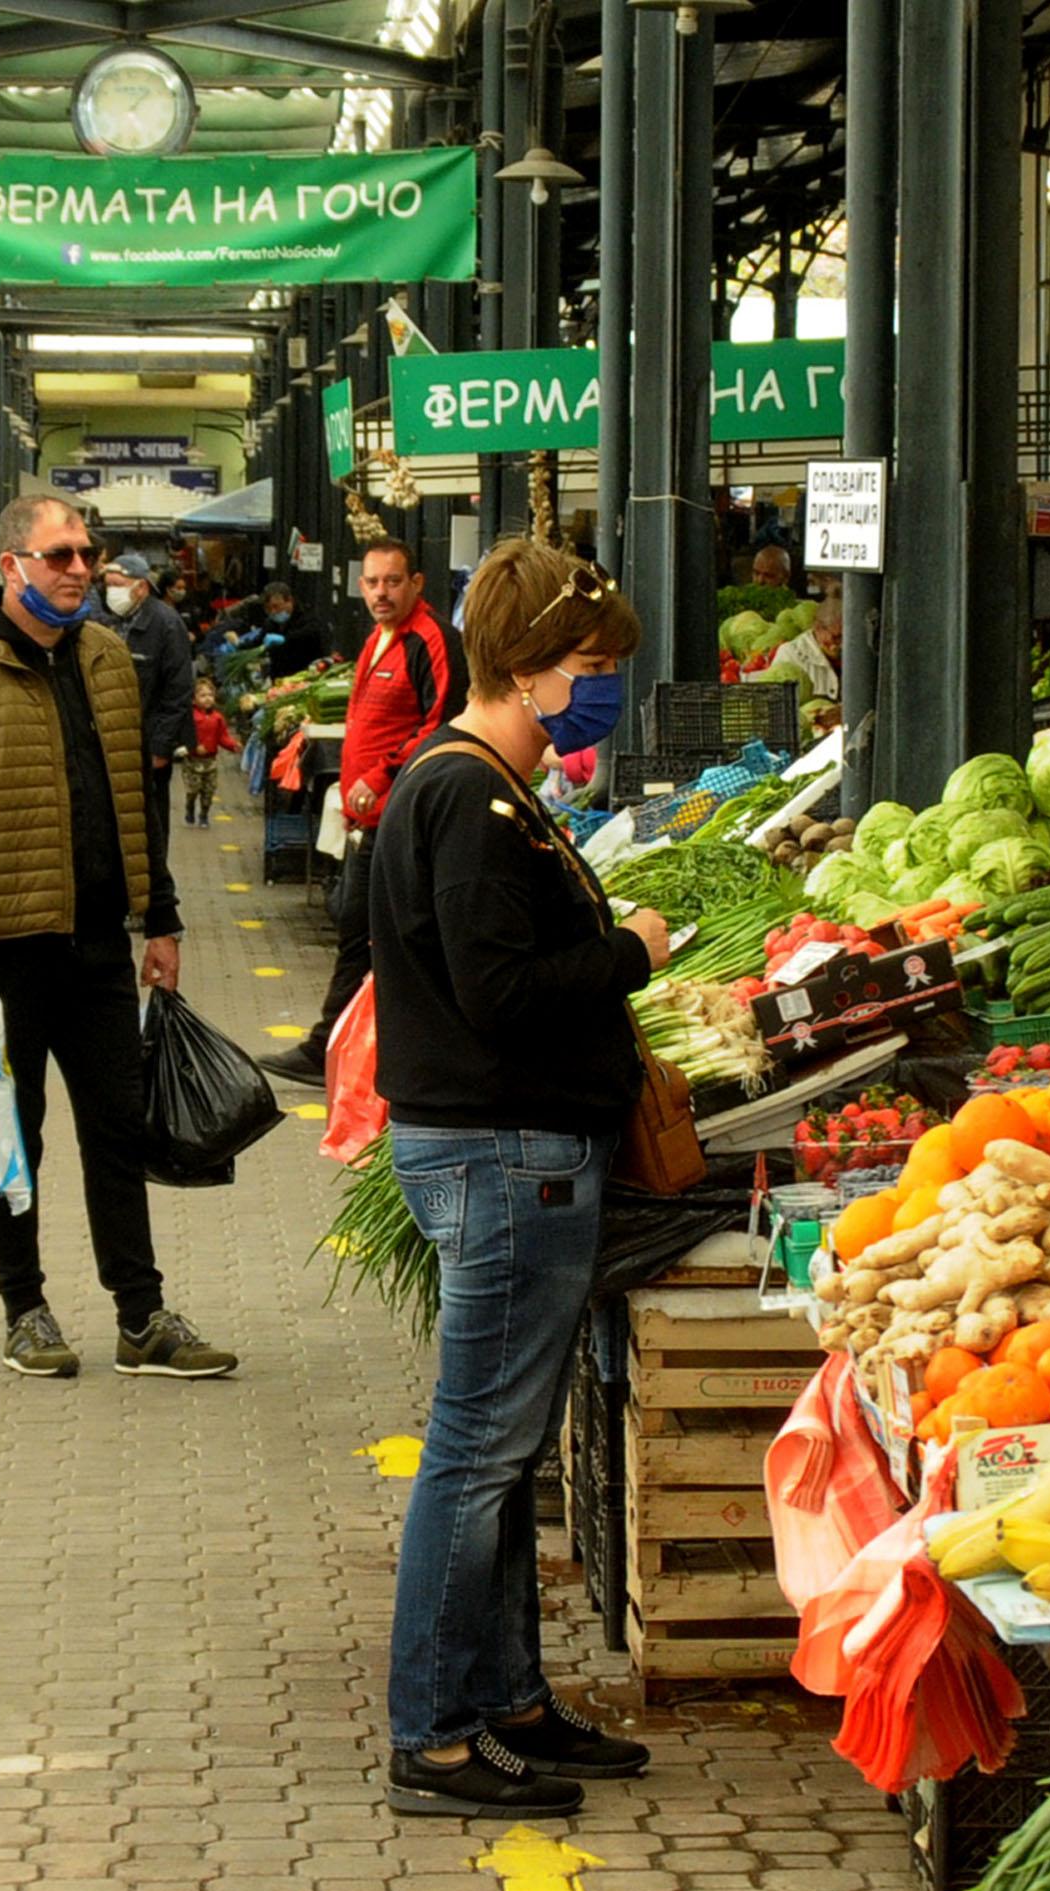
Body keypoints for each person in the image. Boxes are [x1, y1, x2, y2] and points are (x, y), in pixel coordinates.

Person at [369, 539, 673, 1819]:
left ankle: (508, 1702)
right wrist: (628, 953)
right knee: (476, 1454)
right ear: (535, 669)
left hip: (511, 1153)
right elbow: (497, 991)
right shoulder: (468, 799)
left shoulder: (487, 786)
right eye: (594, 668)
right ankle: (435, 1732)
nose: (602, 691)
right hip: (503, 1158)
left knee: (499, 1448)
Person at [0, 494, 236, 1384]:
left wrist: (160, 916)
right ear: (10, 562)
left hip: (96, 944)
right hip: (1, 950)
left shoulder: (105, 658)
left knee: (117, 1132)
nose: (79, 570)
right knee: (13, 1141)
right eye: (59, 555)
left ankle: (141, 1316)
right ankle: (25, 1311)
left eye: (85, 554)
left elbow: (137, 798)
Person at [257, 537, 462, 1087]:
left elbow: (443, 724)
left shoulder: (431, 639)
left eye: (392, 581)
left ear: (416, 584)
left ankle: (345, 1051)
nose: (380, 592)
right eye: (371, 582)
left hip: (407, 816)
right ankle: (340, 1049)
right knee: (361, 927)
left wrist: (382, 776)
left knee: (375, 932)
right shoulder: (376, 639)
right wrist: (353, 796)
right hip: (373, 816)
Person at [103, 550, 196, 858]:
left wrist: (161, 746)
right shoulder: (110, 621)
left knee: (149, 823)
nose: (111, 592)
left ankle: (154, 886)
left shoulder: (166, 625)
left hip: (147, 745)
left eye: (117, 584)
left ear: (140, 587)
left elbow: (179, 690)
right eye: (107, 585)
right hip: (111, 743)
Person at [185, 672, 236, 830]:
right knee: (193, 789)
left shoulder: (218, 718)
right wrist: (193, 746)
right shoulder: (190, 717)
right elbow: (185, 735)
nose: (207, 698)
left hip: (211, 761)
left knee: (208, 790)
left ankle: (204, 814)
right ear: (194, 699)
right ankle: (190, 806)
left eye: (210, 695)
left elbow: (223, 736)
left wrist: (233, 745)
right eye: (202, 695)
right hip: (192, 761)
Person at [770, 594, 843, 703]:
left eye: (842, 637)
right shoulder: (791, 654)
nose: (839, 643)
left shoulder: (860, 652)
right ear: (816, 627)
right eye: (836, 636)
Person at [253, 581, 329, 678]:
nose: (273, 612)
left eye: (276, 606)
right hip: (279, 678)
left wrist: (285, 639)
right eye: (268, 609)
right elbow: (258, 641)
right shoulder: (270, 624)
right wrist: (238, 646)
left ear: (290, 601)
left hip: (306, 675)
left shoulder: (308, 618)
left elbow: (310, 634)